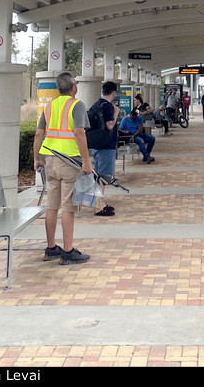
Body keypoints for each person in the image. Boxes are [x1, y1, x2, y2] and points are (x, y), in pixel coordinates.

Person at [32, 71, 92, 264]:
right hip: (69, 161)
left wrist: (37, 158)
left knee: (52, 205)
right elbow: (79, 133)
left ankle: (51, 248)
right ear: (73, 86)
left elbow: (38, 134)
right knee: (68, 206)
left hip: (50, 160)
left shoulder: (50, 106)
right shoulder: (77, 104)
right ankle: (68, 251)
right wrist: (86, 161)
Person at [86, 81, 119, 217]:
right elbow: (110, 125)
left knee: (98, 176)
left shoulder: (96, 104)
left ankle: (100, 203)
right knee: (103, 178)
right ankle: (99, 207)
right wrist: (116, 113)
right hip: (107, 146)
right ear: (113, 93)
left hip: (97, 145)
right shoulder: (108, 107)